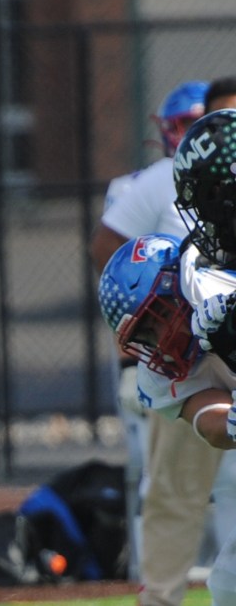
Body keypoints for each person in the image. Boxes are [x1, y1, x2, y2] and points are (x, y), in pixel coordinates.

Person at [89, 79, 221, 601]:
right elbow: (111, 249)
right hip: (193, 356)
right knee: (177, 488)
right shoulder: (166, 180)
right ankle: (162, 594)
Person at [98, 233, 236, 606]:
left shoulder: (220, 289)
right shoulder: (158, 375)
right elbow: (210, 422)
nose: (156, 343)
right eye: (143, 335)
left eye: (154, 321)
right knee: (228, 584)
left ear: (174, 288)